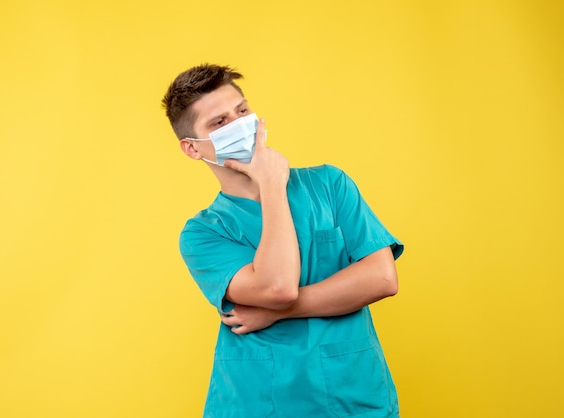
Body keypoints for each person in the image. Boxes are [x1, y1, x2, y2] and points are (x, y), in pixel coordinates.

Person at [162, 63, 404, 418]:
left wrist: (277, 315)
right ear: (193, 148)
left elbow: (382, 278)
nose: (239, 124)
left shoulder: (329, 185)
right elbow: (278, 288)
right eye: (219, 122)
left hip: (352, 396)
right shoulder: (204, 233)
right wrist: (272, 183)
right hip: (259, 401)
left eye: (242, 111)